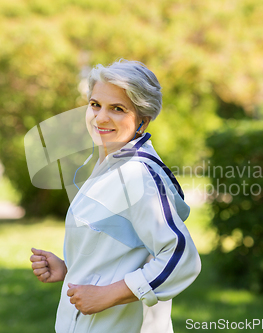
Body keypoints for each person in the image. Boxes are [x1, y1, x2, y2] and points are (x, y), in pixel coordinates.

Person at [30, 59, 201, 333]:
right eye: (95, 104)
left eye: (117, 109)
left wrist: (108, 294)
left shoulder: (137, 174)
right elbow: (124, 249)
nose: (100, 117)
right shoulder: (107, 166)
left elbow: (180, 256)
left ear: (142, 121)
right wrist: (70, 268)